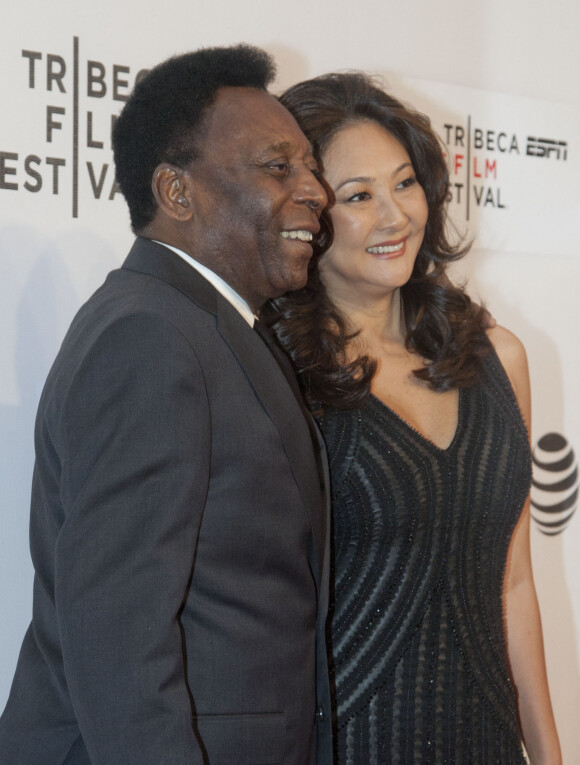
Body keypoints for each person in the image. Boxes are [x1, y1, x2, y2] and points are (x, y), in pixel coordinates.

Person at [0, 45, 333, 765]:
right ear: (178, 194)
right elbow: (118, 633)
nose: (316, 191)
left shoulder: (201, 324)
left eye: (311, 166)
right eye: (279, 167)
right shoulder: (149, 337)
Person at [264, 72, 561, 764]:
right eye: (359, 196)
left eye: (405, 183)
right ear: (305, 211)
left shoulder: (500, 356)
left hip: (485, 740)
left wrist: (548, 749)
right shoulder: (277, 374)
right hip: (348, 744)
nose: (395, 215)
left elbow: (512, 578)